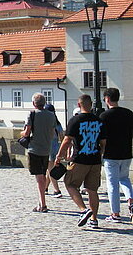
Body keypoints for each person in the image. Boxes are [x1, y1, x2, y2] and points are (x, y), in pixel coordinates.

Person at [55, 94, 106, 228]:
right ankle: (94, 220)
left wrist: (59, 156)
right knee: (92, 190)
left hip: (80, 159)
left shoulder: (75, 120)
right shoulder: (99, 121)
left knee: (69, 183)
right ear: (91, 105)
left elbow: (67, 140)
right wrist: (100, 154)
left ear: (79, 105)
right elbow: (103, 142)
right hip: (95, 160)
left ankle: (83, 210)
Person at [100, 88, 133, 222]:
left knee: (112, 184)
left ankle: (115, 213)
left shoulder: (104, 116)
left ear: (107, 99)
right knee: (124, 179)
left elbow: (101, 137)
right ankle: (130, 200)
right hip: (126, 152)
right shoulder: (129, 114)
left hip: (111, 154)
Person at [20, 93, 56, 213]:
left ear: (33, 103)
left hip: (35, 149)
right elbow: (52, 133)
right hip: (46, 149)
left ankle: (42, 204)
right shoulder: (51, 115)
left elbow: (27, 132)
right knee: (43, 175)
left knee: (39, 178)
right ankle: (41, 202)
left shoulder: (32, 114)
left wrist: (21, 134)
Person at [44, 104, 64, 198]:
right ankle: (45, 188)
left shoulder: (45, 123)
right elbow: (62, 137)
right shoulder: (57, 123)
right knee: (50, 169)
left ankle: (56, 190)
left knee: (51, 169)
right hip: (55, 148)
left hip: (47, 148)